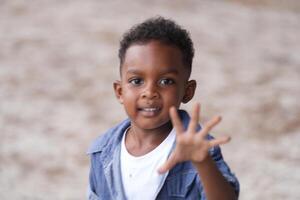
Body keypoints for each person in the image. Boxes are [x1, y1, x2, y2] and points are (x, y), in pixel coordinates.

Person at [87, 17, 239, 200]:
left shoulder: (197, 148)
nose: (150, 92)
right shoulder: (102, 151)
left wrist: (203, 162)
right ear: (120, 91)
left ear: (187, 91)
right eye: (137, 81)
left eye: (166, 81)